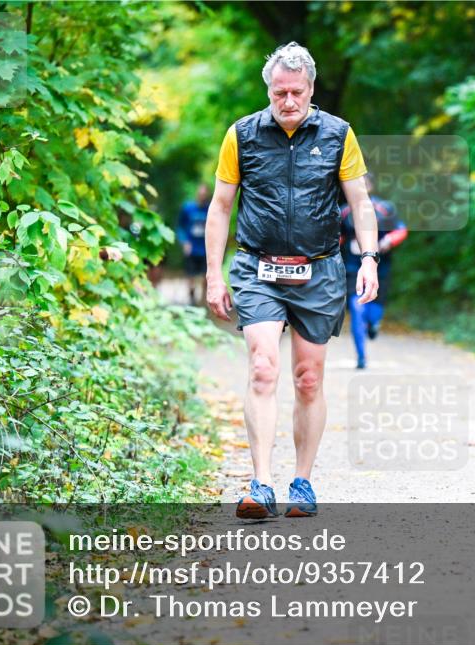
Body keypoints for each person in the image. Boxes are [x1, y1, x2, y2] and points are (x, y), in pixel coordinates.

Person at [203, 42, 380, 519]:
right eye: (279, 92)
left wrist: (369, 258)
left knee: (307, 378)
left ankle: (301, 483)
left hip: (319, 269)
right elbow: (220, 208)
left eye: (296, 92)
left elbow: (360, 203)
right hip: (257, 266)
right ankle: (260, 483)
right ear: (269, 90)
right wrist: (213, 275)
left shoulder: (339, 134)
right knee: (263, 368)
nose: (287, 101)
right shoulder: (240, 136)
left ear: (311, 89)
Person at [340, 173, 407, 369]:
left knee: (373, 313)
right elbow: (337, 237)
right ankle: (361, 356)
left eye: (364, 183)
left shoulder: (384, 209)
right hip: (353, 268)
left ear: (370, 186)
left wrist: (388, 241)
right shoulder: (344, 212)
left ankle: (373, 324)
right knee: (356, 308)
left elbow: (401, 229)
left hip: (380, 268)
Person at [176, 183, 211, 305]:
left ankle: (203, 303)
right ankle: (192, 301)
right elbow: (180, 227)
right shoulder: (188, 208)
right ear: (197, 194)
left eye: (204, 194)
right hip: (191, 248)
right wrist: (184, 242)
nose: (202, 196)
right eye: (200, 194)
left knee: (204, 278)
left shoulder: (211, 209)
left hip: (205, 250)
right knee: (190, 277)